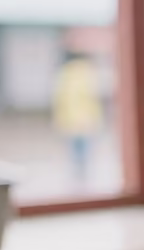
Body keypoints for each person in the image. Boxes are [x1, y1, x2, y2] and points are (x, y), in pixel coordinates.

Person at [52, 52, 103, 183]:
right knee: (83, 150)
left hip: (70, 120)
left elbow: (59, 99)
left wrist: (60, 119)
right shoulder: (88, 74)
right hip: (85, 120)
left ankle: (79, 173)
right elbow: (93, 99)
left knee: (75, 150)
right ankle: (82, 172)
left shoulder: (65, 74)